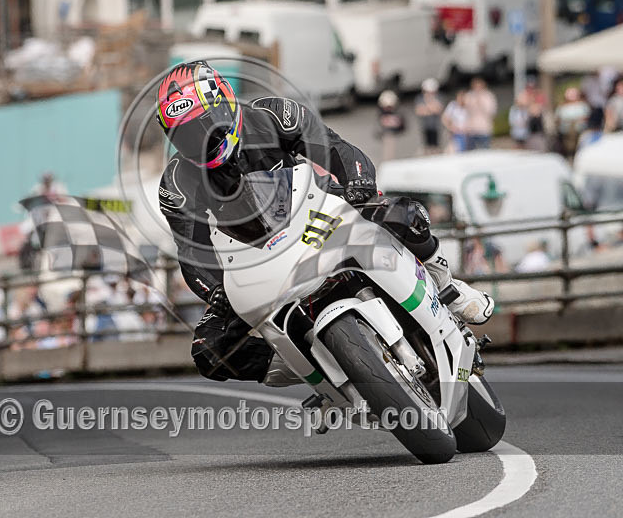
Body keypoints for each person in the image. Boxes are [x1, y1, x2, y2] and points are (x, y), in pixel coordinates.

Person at [155, 61, 494, 383]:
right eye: (185, 137)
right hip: (259, 261)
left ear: (224, 104)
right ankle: (315, 366)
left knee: (401, 212)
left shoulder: (271, 114)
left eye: (203, 127)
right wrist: (217, 291)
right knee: (209, 352)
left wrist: (357, 183)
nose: (199, 142)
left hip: (319, 211)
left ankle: (446, 285)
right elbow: (191, 252)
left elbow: (335, 147)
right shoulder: (177, 183)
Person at [555, 87, 590, 157]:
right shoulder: (562, 107)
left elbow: (586, 117)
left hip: (579, 132)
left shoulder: (582, 105)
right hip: (565, 133)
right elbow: (558, 119)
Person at [464, 77, 497, 150]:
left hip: (484, 129)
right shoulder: (469, 96)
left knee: (484, 151)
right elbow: (465, 112)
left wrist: (481, 103)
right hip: (472, 129)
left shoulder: (488, 96)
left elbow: (491, 112)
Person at [415, 78, 444, 154]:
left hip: (435, 125)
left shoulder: (438, 97)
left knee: (436, 144)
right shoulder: (420, 98)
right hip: (425, 125)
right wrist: (431, 109)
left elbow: (438, 109)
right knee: (427, 145)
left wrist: (427, 108)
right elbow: (419, 111)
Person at [377, 89, 406, 161]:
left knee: (391, 148)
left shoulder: (394, 112)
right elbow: (385, 121)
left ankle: (390, 160)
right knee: (388, 148)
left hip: (393, 132)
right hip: (387, 133)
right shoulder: (383, 113)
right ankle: (388, 160)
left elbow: (397, 122)